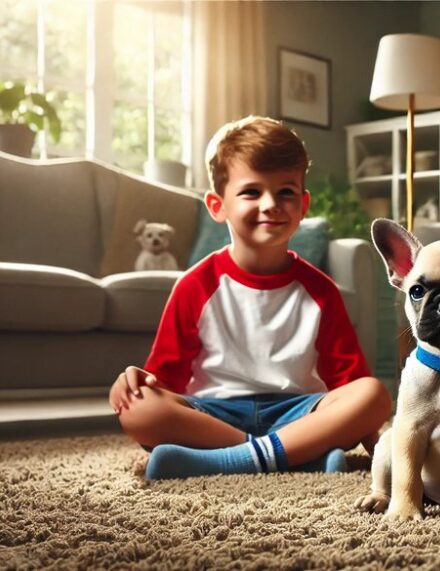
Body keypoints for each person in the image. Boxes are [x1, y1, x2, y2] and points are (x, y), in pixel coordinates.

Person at [109, 116, 392, 480]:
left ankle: (234, 460)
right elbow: (163, 378)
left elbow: (349, 381)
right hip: (214, 413)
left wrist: (378, 447)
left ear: (303, 205)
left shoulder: (321, 291)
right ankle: (295, 456)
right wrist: (135, 383)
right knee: (137, 407)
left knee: (373, 395)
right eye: (251, 192)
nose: (271, 204)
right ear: (217, 205)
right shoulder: (195, 285)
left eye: (285, 192)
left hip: (296, 411)